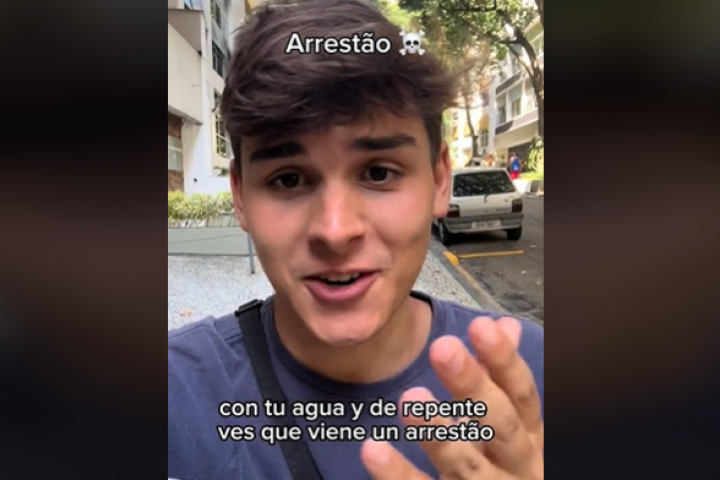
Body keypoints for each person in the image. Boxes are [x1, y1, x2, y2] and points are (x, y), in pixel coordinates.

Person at [168, 1, 544, 479]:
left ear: (438, 180)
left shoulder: (535, 372)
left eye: (378, 173)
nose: (335, 230)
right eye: (288, 179)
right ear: (240, 197)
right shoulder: (175, 398)